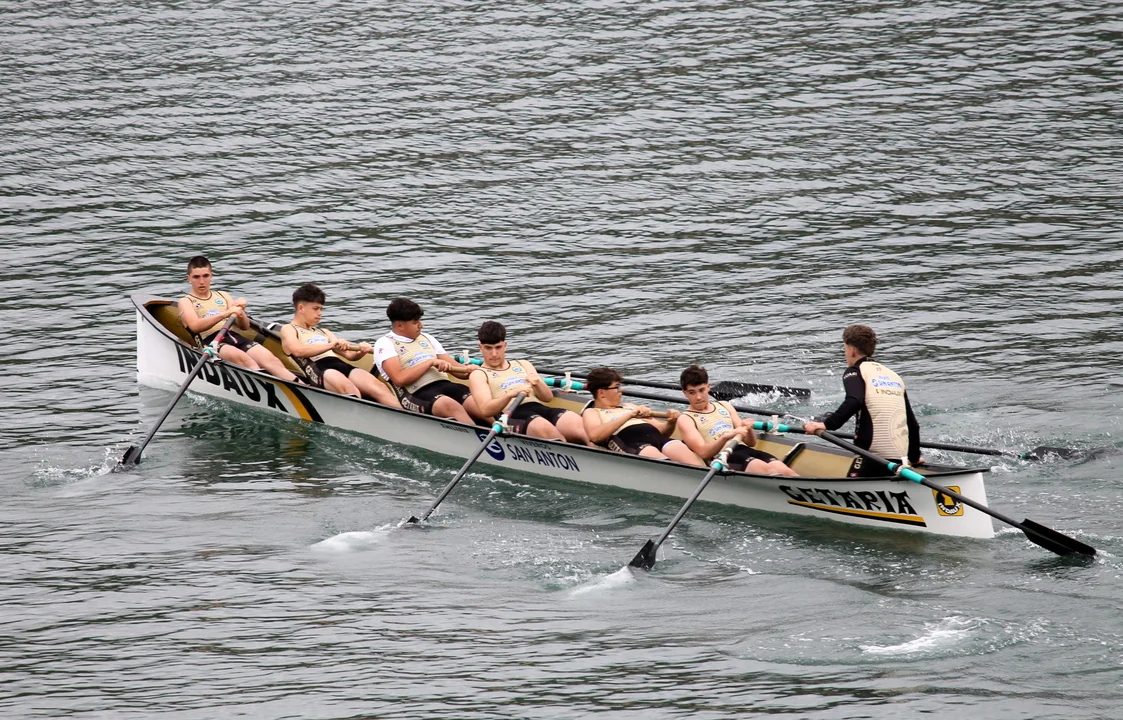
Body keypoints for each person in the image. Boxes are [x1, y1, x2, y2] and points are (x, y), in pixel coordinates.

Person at [803, 324, 921, 477]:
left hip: (872, 457)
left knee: (846, 489)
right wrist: (914, 457)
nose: (845, 354)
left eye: (844, 349)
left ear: (851, 350)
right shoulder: (894, 376)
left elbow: (854, 400)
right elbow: (912, 424)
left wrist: (825, 424)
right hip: (899, 459)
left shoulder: (855, 371)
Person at [176, 255, 301, 383]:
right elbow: (195, 326)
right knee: (246, 361)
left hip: (234, 336)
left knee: (271, 360)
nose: (202, 281)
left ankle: (303, 386)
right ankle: (266, 386)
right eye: (196, 277)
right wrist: (225, 314)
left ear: (211, 276)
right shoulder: (186, 301)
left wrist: (241, 313)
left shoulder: (223, 295)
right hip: (211, 343)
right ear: (189, 279)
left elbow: (244, 326)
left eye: (205, 276)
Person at [467, 321, 590, 444]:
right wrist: (510, 394)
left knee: (578, 423)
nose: (494, 354)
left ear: (505, 346)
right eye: (488, 348)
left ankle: (593, 447)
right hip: (512, 415)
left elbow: (547, 398)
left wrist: (538, 383)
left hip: (541, 408)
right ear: (480, 348)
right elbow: (486, 410)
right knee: (545, 428)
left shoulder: (523, 364)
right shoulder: (479, 374)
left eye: (498, 347)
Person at [278, 284, 400, 407]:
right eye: (315, 309)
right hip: (320, 369)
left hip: (341, 365)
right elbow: (298, 351)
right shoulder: (289, 329)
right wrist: (331, 345)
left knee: (379, 387)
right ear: (301, 308)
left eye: (321, 309)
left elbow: (350, 356)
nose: (320, 313)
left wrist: (362, 351)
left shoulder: (324, 332)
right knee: (350, 390)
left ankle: (403, 415)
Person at [372, 297, 481, 423]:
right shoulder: (384, 343)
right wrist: (430, 362)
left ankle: (497, 427)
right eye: (415, 322)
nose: (421, 325)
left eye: (419, 320)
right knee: (449, 405)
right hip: (415, 393)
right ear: (400, 325)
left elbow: (457, 370)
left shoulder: (428, 338)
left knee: (475, 401)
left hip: (445, 385)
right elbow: (399, 379)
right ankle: (478, 433)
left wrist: (472, 371)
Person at [677, 365, 798, 476]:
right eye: (692, 392)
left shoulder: (725, 405)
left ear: (708, 387)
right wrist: (725, 437)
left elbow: (751, 443)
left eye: (701, 390)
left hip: (745, 450)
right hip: (723, 458)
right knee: (769, 471)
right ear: (684, 393)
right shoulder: (685, 419)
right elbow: (703, 453)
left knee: (788, 472)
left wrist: (748, 428)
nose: (698, 397)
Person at [581, 367, 704, 465]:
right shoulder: (592, 412)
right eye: (617, 387)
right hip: (632, 443)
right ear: (601, 393)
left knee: (695, 464)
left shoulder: (629, 406)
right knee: (670, 467)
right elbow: (595, 436)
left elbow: (663, 431)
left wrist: (671, 422)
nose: (621, 390)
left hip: (658, 438)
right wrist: (629, 415)